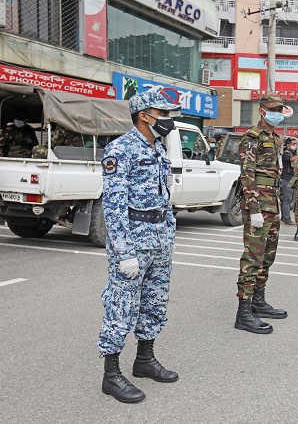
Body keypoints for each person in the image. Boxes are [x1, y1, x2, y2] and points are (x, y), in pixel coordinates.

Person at [96, 91, 180, 403]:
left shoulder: (158, 148)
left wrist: (169, 229)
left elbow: (164, 194)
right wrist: (124, 251)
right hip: (134, 240)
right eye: (163, 112)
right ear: (144, 115)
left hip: (159, 237)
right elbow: (114, 206)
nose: (168, 118)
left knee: (155, 302)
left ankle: (144, 360)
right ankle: (111, 375)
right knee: (121, 305)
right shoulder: (121, 149)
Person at [235, 94, 288, 335]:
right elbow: (247, 174)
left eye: (281, 109)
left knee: (268, 256)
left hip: (273, 203)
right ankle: (243, 312)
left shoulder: (276, 139)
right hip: (258, 205)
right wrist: (254, 208)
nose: (278, 112)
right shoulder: (252, 138)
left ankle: (258, 300)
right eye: (274, 108)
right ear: (262, 111)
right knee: (253, 257)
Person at [280, 138, 297, 226]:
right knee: (287, 200)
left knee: (286, 200)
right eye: (293, 144)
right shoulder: (286, 154)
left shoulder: (291, 153)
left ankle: (284, 217)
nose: (295, 146)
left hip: (288, 180)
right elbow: (292, 159)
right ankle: (286, 218)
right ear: (288, 145)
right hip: (286, 180)